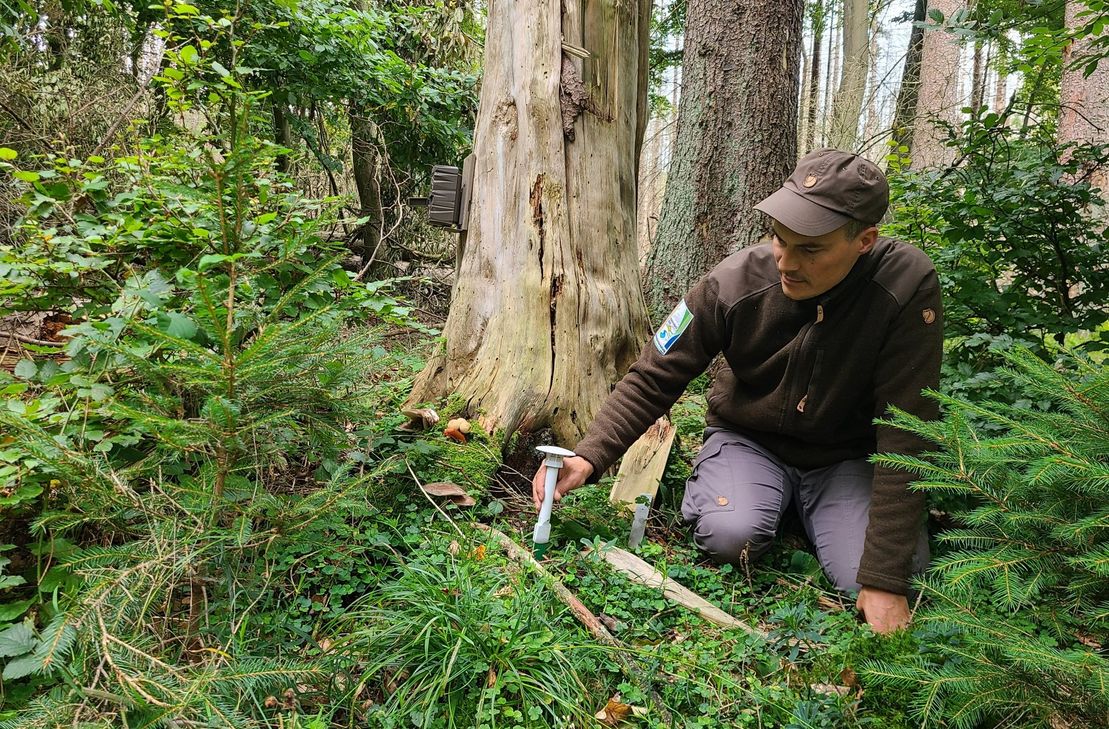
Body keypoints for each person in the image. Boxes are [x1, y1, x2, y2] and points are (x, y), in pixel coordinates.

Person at [531, 148, 942, 634]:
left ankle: (815, 511)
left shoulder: (905, 287)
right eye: (778, 239)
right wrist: (589, 455)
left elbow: (907, 429)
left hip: (845, 457)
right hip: (750, 440)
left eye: (810, 249)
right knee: (731, 535)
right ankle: (764, 498)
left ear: (864, 241)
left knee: (867, 579)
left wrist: (884, 576)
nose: (786, 262)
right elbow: (655, 374)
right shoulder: (734, 281)